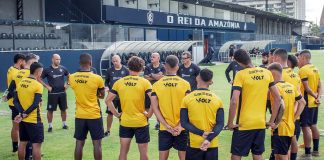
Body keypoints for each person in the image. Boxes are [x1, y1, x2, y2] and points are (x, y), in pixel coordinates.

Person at [227, 49, 281, 160]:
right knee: (257, 155)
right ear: (249, 57)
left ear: (238, 62)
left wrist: (230, 123)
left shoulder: (240, 74)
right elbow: (278, 98)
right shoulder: (266, 72)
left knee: (236, 155)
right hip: (260, 123)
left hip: (243, 124)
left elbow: (234, 100)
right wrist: (271, 121)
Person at [105, 56, 152, 160]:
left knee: (123, 152)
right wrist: (149, 114)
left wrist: (117, 114)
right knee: (143, 154)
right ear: (141, 69)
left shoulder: (119, 82)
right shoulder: (145, 82)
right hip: (141, 122)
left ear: (128, 67)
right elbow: (154, 100)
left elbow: (107, 100)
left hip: (125, 121)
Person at [150, 55, 191, 160]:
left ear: (165, 66)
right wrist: (180, 125)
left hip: (165, 128)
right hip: (181, 128)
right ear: (177, 67)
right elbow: (188, 108)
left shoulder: (156, 85)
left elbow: (155, 108)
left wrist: (166, 125)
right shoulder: (185, 84)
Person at [180, 68, 224, 160]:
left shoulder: (187, 99)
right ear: (211, 81)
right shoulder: (218, 99)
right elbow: (220, 124)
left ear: (197, 78)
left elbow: (184, 123)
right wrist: (208, 139)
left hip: (194, 143)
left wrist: (202, 133)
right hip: (212, 143)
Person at [69, 53, 105, 160]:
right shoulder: (97, 78)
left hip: (80, 115)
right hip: (94, 115)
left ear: (80, 63)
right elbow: (102, 96)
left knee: (79, 143)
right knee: (97, 144)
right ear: (91, 63)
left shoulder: (72, 77)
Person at [268, 63, 306, 160]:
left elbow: (282, 106)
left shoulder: (275, 88)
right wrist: (294, 118)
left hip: (280, 127)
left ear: (272, 74)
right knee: (278, 154)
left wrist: (274, 122)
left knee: (282, 155)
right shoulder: (290, 86)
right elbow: (302, 102)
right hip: (289, 125)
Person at [7, 53, 39, 160]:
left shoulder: (17, 73)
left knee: (22, 136)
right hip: (28, 110)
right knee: (29, 137)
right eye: (36, 62)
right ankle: (29, 155)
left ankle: (23, 152)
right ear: (32, 62)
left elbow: (11, 90)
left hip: (18, 107)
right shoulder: (29, 75)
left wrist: (16, 100)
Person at [13, 62, 44, 160]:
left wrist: (22, 113)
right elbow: (35, 104)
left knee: (22, 143)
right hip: (34, 120)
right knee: (36, 146)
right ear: (38, 72)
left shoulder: (21, 82)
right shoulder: (38, 85)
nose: (41, 74)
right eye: (41, 72)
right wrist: (24, 114)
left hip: (23, 120)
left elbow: (15, 101)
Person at [298, 50, 322, 158]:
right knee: (313, 125)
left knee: (305, 127)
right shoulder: (315, 68)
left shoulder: (303, 70)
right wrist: (318, 96)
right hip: (314, 102)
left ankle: (307, 153)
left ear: (303, 58)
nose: (298, 60)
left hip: (307, 102)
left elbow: (306, 88)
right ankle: (316, 150)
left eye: (299, 58)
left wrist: (314, 96)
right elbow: (320, 85)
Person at [39, 54, 69, 132]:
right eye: (56, 59)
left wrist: (67, 84)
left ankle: (64, 124)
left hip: (62, 93)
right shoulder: (47, 70)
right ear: (52, 59)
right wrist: (47, 86)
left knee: (63, 109)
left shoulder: (63, 68)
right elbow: (39, 78)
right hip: (52, 94)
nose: (58, 61)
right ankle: (50, 126)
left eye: (59, 59)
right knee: (50, 110)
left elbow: (69, 76)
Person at [4, 53, 26, 153]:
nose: (25, 64)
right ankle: (23, 148)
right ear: (20, 61)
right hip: (17, 103)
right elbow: (15, 88)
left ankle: (15, 147)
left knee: (15, 126)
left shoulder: (10, 69)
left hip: (12, 102)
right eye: (24, 61)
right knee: (21, 127)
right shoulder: (17, 73)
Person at [105, 55, 129, 137]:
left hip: (123, 97)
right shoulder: (109, 70)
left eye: (116, 61)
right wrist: (107, 88)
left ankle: (122, 131)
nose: (115, 62)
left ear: (120, 60)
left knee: (123, 114)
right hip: (112, 97)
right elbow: (106, 82)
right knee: (110, 114)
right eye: (113, 61)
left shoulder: (126, 70)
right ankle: (108, 130)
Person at [144, 52, 165, 130]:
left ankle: (158, 123)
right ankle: (146, 122)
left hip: (159, 90)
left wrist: (151, 75)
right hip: (148, 90)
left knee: (158, 107)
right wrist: (156, 76)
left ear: (158, 58)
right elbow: (146, 77)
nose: (151, 58)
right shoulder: (148, 66)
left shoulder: (163, 67)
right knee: (147, 106)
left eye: (153, 57)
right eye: (151, 57)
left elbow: (162, 78)